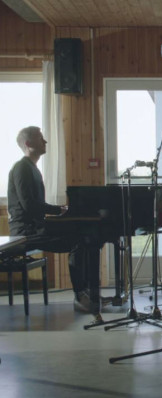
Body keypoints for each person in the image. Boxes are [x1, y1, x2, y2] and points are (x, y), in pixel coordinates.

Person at [7, 126, 101, 313]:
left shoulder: (32, 169)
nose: (45, 141)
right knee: (78, 241)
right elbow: (29, 206)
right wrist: (60, 210)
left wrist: (59, 211)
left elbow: (35, 206)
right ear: (28, 144)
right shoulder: (22, 168)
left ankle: (89, 293)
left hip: (35, 227)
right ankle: (80, 296)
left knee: (86, 238)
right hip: (25, 231)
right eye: (40, 138)